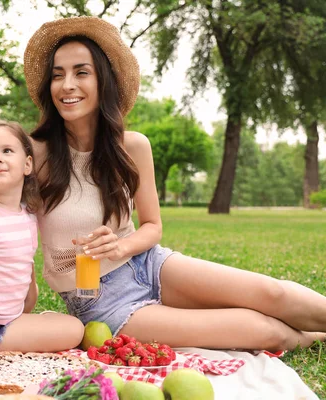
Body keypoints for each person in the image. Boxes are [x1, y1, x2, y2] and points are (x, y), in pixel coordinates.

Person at [22, 16, 326, 352]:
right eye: (57, 75)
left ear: (103, 81)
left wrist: (121, 246)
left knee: (273, 294)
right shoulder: (35, 154)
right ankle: (311, 341)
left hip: (147, 264)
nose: (67, 85)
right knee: (265, 331)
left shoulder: (133, 146)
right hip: (101, 302)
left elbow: (152, 225)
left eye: (81, 72)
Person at [0, 120, 84, 362]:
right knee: (75, 330)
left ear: (27, 164)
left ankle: (21, 334)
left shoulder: (28, 215)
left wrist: (27, 308)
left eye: (7, 151)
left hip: (11, 318)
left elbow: (23, 272)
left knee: (72, 325)